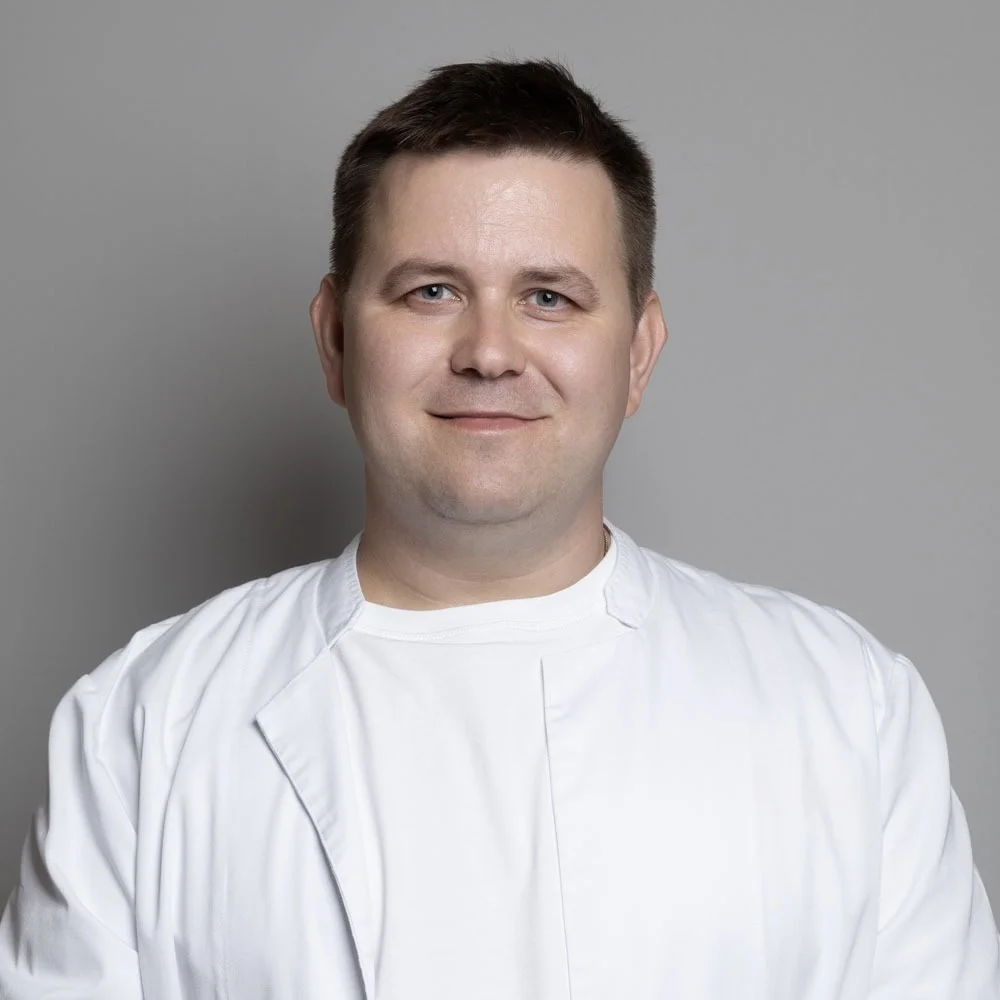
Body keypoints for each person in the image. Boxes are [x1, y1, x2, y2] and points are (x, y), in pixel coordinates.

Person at [0, 57, 997, 1000]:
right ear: (336, 339)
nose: (488, 352)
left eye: (548, 297)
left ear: (638, 354)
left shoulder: (847, 712)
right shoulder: (145, 722)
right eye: (430, 291)